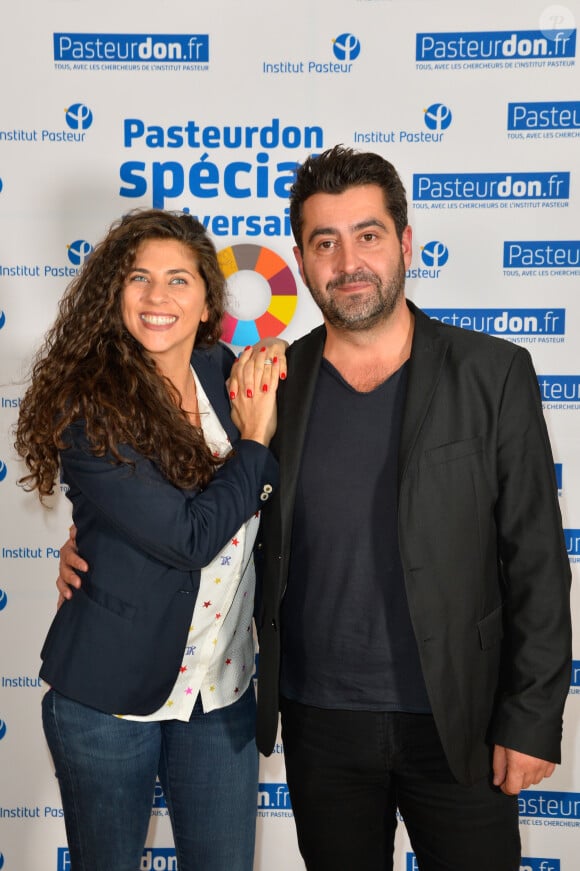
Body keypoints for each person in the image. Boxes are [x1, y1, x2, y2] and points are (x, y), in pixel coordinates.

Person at [58, 148, 572, 871]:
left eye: (368, 235)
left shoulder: (492, 373)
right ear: (301, 260)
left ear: (406, 243)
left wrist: (532, 717)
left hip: (460, 717)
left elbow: (538, 562)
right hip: (319, 724)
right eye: (324, 242)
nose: (348, 260)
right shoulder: (269, 386)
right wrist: (93, 542)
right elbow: (187, 497)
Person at [15, 208, 280, 871]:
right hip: (108, 694)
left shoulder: (227, 374)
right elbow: (188, 537)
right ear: (115, 292)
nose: (158, 296)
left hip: (219, 692)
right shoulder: (88, 405)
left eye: (178, 279)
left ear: (206, 299)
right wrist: (253, 444)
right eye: (139, 278)